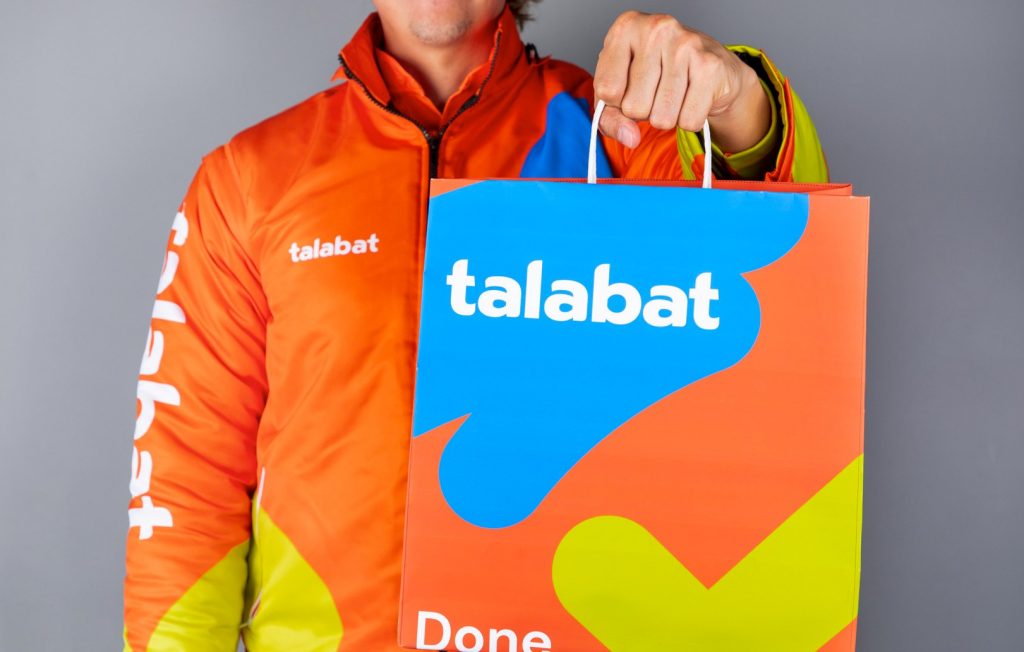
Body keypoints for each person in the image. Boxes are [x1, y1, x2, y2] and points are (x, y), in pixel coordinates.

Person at [123, 1, 828, 649]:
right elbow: (186, 483)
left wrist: (739, 101)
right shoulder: (249, 179)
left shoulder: (620, 136)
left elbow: (781, 252)